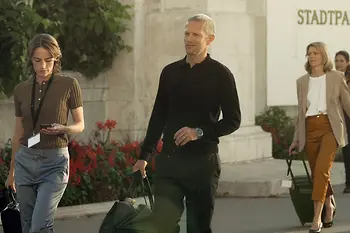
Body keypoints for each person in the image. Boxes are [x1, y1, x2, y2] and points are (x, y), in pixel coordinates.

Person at [133, 14, 241, 233]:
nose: (189, 39)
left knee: (198, 228)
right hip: (169, 163)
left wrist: (198, 132)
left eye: (196, 34)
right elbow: (158, 116)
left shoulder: (221, 75)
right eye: (186, 34)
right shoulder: (170, 72)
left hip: (202, 165)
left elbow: (233, 120)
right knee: (162, 225)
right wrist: (144, 156)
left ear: (210, 39)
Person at [6, 34, 85, 233]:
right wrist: (12, 172)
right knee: (26, 225)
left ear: (56, 59)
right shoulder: (21, 89)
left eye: (48, 60)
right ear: (31, 60)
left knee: (39, 226)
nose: (43, 66)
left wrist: (64, 129)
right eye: (38, 60)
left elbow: (80, 124)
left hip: (54, 163)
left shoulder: (69, 85)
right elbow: (18, 133)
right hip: (25, 161)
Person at [289, 42, 350, 233]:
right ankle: (330, 204)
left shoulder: (336, 77)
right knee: (318, 174)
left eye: (315, 53)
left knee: (323, 169)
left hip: (330, 127)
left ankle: (318, 217)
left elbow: (347, 104)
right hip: (310, 129)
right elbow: (300, 114)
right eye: (309, 54)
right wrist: (296, 139)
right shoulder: (302, 82)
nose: (312, 56)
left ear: (323, 56)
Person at [334, 50, 350, 193]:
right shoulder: (333, 78)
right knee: (346, 150)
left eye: (341, 61)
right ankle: (349, 183)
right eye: (337, 61)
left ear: (348, 63)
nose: (338, 64)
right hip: (342, 119)